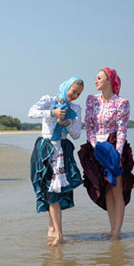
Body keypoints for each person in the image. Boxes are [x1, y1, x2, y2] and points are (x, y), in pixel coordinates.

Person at [78, 67, 134, 240]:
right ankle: (112, 229)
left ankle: (117, 232)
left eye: (99, 78)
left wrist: (116, 155)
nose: (95, 81)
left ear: (109, 80)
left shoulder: (121, 103)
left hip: (114, 147)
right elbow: (89, 126)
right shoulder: (91, 101)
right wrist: (96, 147)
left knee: (117, 190)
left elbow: (122, 131)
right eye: (95, 78)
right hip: (96, 148)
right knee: (107, 190)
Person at [28, 77, 84, 247]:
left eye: (78, 93)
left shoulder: (75, 108)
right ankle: (53, 228)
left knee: (56, 191)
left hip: (62, 149)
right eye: (73, 91)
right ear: (66, 87)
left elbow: (76, 134)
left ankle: (57, 233)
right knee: (47, 188)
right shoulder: (49, 100)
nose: (75, 95)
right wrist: (53, 113)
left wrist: (66, 122)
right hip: (45, 148)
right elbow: (31, 112)